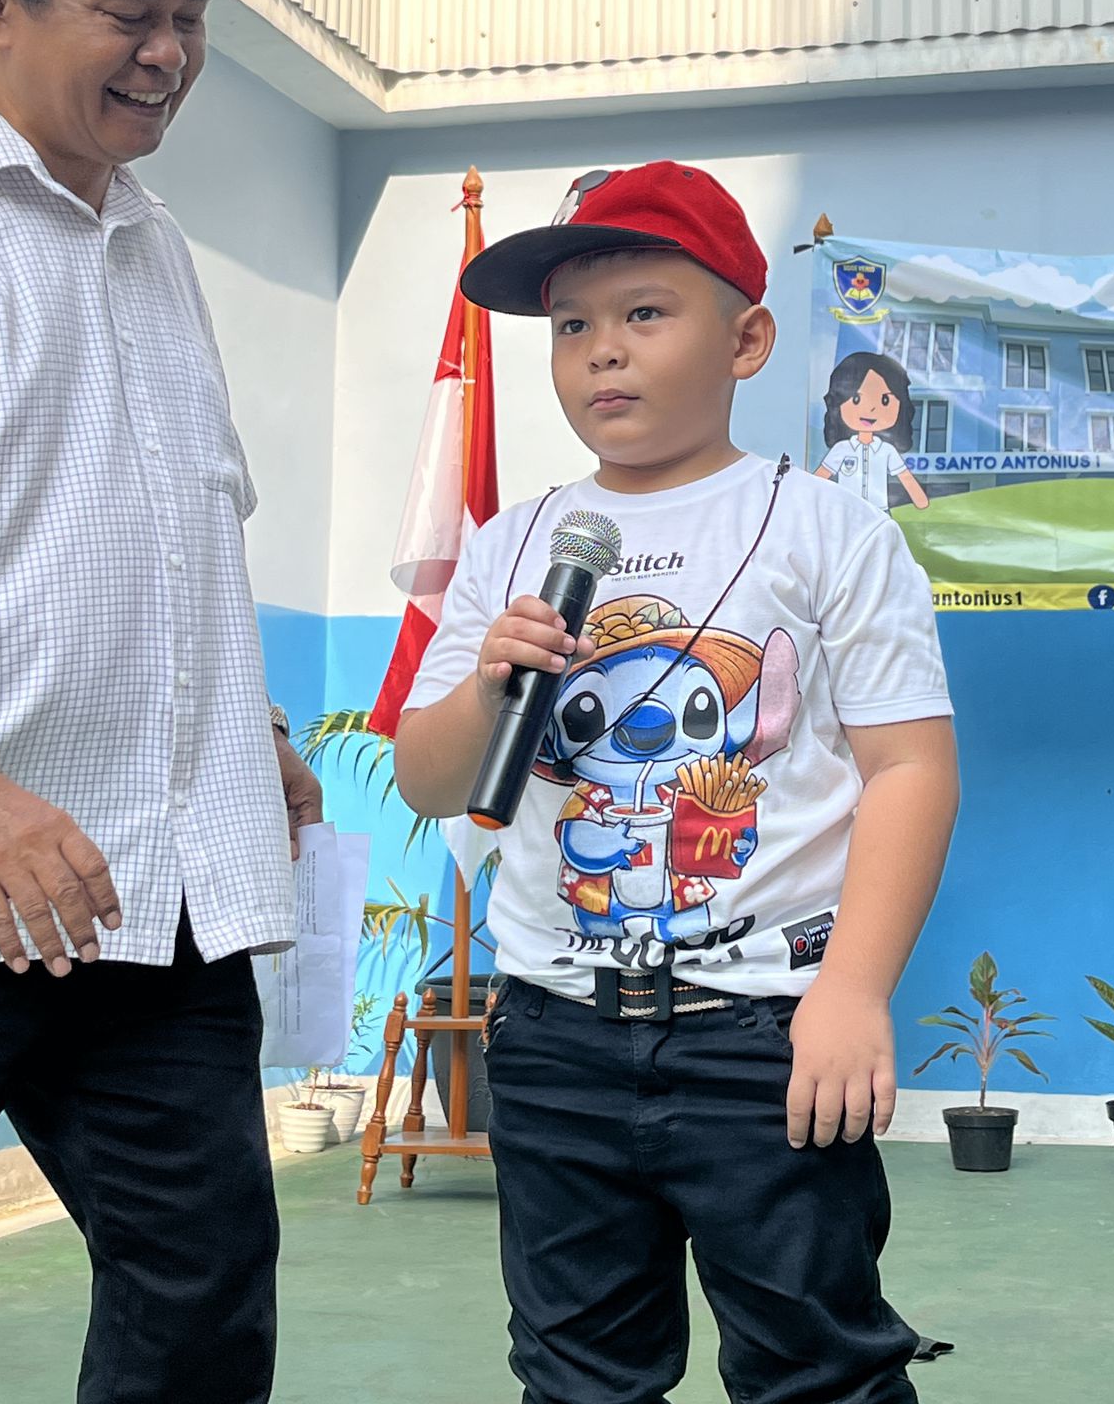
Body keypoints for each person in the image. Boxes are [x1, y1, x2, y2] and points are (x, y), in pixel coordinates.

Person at [394, 160, 959, 1404]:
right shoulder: (513, 544)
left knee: (817, 1366)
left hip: (765, 1033)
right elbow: (429, 782)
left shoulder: (829, 530)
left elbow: (911, 768)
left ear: (746, 340)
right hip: (553, 1034)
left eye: (644, 313)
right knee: (578, 1374)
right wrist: (489, 687)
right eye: (572, 327)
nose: (603, 351)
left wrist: (852, 992)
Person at [0, 0, 321, 1404]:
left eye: (190, 18)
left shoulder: (150, 243)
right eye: (131, 15)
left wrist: (243, 727)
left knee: (200, 1294)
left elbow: (155, 529)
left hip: (149, 899)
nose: (170, 57)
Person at [817, 349, 930, 511]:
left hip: (879, 512)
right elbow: (821, 476)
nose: (871, 409)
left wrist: (920, 499)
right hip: (848, 511)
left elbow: (905, 476)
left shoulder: (887, 450)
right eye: (856, 399)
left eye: (885, 400)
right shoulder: (841, 449)